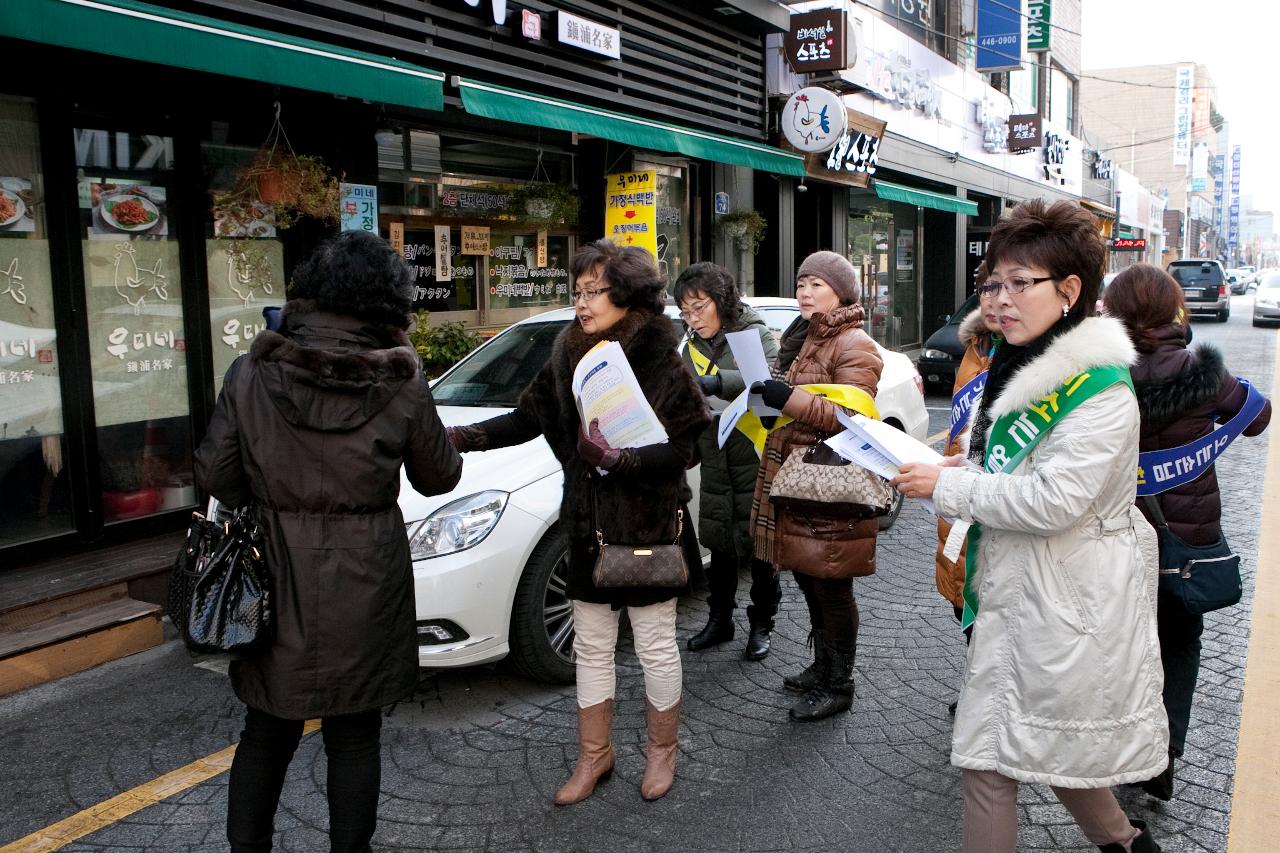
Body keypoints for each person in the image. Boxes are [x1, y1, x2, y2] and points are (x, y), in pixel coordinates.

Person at [891, 200, 1167, 853]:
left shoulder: (1096, 385)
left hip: (1067, 601)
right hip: (1024, 592)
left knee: (994, 758)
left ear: (1069, 291)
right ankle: (1128, 845)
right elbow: (1013, 465)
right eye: (992, 282)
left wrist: (950, 483)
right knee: (1044, 744)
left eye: (1021, 283)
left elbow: (1054, 500)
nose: (999, 299)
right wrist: (962, 464)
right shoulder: (1022, 360)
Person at [194, 230, 463, 853]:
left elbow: (215, 477)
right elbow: (438, 474)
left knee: (265, 730)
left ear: (310, 290)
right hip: (366, 575)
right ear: (389, 302)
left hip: (274, 572)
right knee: (354, 733)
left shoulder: (252, 370)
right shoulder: (402, 379)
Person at [447, 240, 708, 804]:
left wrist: (621, 459)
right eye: (579, 291)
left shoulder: (662, 353)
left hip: (647, 525)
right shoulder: (567, 348)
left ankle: (662, 753)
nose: (583, 302)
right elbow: (527, 417)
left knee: (655, 645)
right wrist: (464, 438)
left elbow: (688, 445)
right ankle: (596, 756)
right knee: (591, 645)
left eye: (595, 291)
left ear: (628, 295)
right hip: (586, 524)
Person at [1103, 263, 1271, 800]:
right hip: (1188, 540)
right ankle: (1165, 757)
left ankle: (1123, 752)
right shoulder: (1201, 370)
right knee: (1179, 643)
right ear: (1175, 310)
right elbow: (1259, 416)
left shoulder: (1100, 373)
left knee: (1125, 647)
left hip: (1119, 536)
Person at [748, 250, 882, 722]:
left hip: (830, 484)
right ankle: (821, 665)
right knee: (808, 577)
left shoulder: (855, 344)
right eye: (801, 282)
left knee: (832, 586)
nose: (804, 291)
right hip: (795, 479)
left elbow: (855, 419)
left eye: (816, 285)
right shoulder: (800, 337)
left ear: (842, 293)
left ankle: (839, 683)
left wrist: (792, 400)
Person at [674, 263, 782, 661]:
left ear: (721, 301)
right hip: (715, 449)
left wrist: (718, 383)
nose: (693, 318)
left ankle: (762, 623)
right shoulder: (689, 345)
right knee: (720, 541)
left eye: (699, 307)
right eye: (685, 311)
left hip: (755, 449)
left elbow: (772, 377)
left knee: (760, 546)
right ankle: (719, 620)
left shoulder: (754, 332)